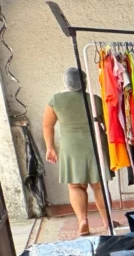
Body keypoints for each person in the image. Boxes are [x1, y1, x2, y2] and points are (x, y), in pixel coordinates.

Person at [42, 68, 111, 236]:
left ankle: (83, 221)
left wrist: (50, 147)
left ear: (66, 82)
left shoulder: (56, 100)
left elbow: (47, 125)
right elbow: (108, 125)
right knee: (99, 185)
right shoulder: (95, 100)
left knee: (75, 186)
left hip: (71, 145)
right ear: (85, 81)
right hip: (95, 143)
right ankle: (107, 222)